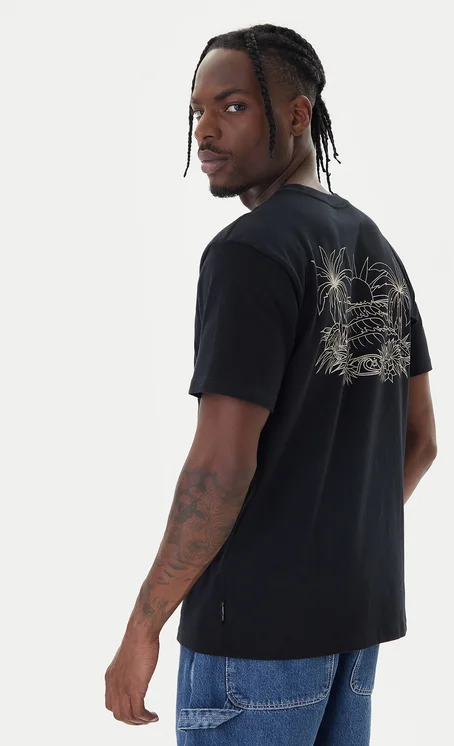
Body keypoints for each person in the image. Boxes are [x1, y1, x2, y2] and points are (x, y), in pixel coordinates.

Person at [104, 23, 437, 746]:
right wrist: (330, 539)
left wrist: (143, 625)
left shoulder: (250, 253)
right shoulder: (378, 250)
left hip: (251, 639)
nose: (205, 130)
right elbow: (420, 441)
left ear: (296, 113)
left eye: (232, 106)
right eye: (197, 110)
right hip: (353, 626)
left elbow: (220, 466)